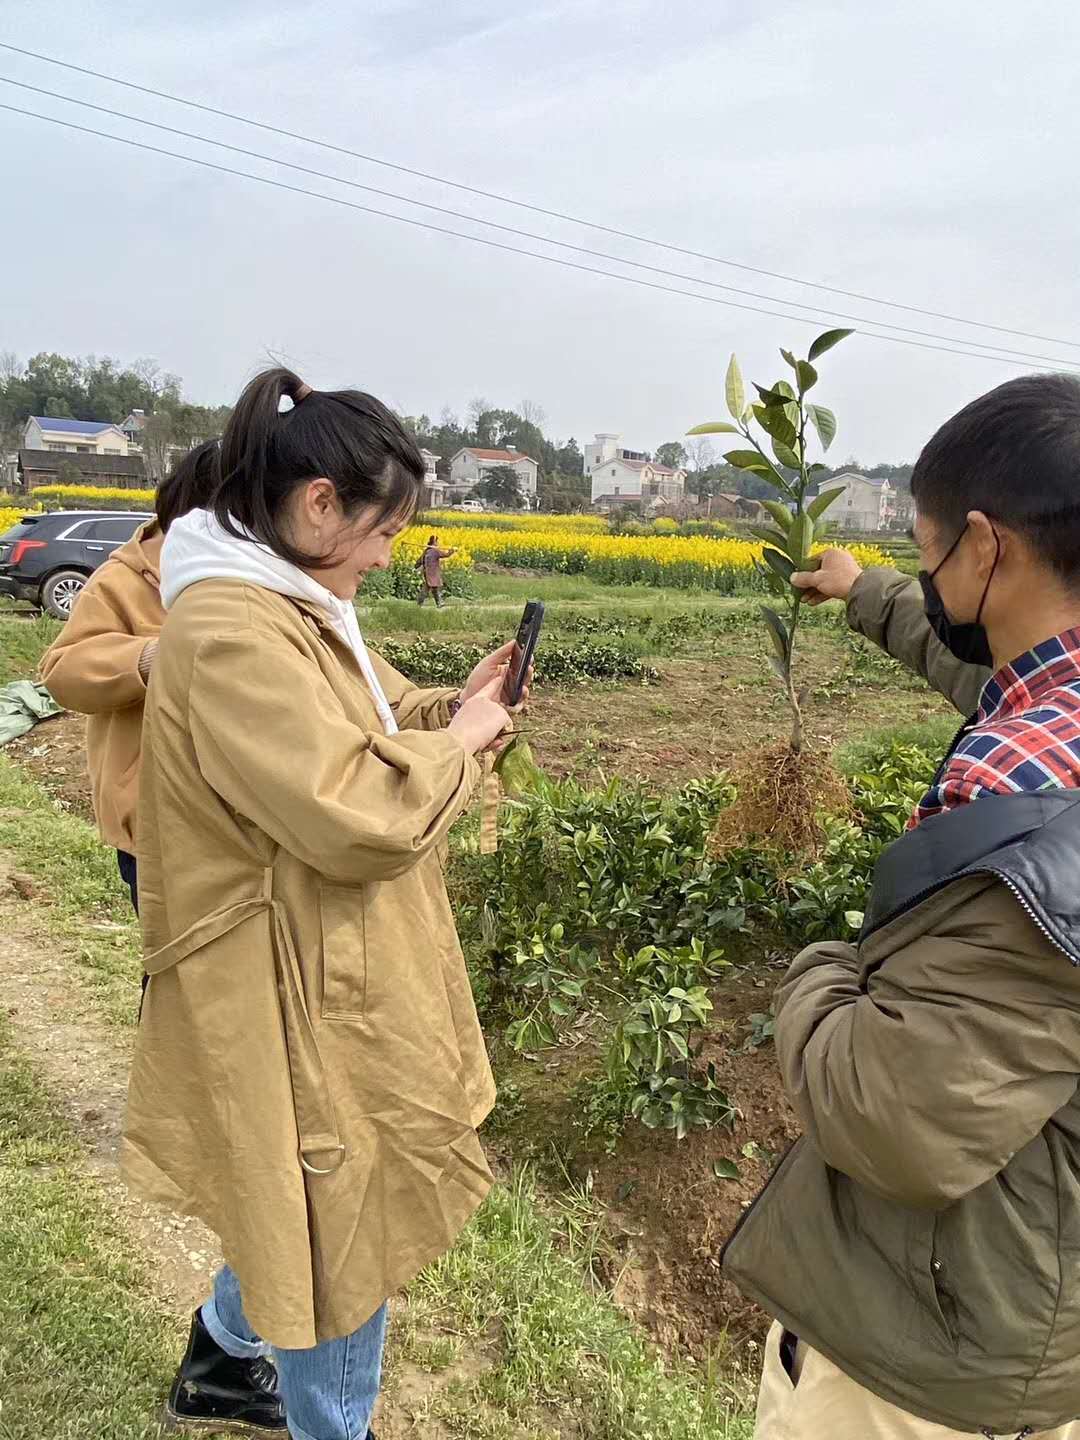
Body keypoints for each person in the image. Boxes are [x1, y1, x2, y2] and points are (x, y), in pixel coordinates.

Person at [122, 368, 522, 1440]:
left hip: (322, 960)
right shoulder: (234, 631)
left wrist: (461, 709)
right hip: (284, 981)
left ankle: (222, 1353)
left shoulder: (296, 606)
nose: (395, 554)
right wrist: (461, 748)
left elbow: (379, 711)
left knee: (300, 1199)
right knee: (341, 1225)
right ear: (318, 506)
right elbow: (354, 808)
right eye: (388, 529)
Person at [726, 373, 1080, 1438]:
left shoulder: (1022, 801)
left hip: (936, 1351)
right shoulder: (1051, 713)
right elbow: (998, 682)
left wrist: (823, 968)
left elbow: (895, 1118)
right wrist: (867, 589)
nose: (924, 580)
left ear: (985, 547)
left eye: (925, 553)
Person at [39, 442, 219, 913]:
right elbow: (62, 672)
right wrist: (147, 657)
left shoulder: (247, 575)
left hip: (235, 818)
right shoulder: (123, 579)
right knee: (174, 970)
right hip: (157, 819)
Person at [417, 532, 455, 607]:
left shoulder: (426, 551)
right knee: (428, 588)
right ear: (434, 542)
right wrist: (452, 551)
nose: (438, 543)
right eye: (437, 541)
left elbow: (419, 560)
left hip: (427, 572)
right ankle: (420, 603)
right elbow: (446, 555)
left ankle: (438, 603)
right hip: (433, 573)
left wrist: (416, 566)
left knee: (434, 588)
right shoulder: (435, 551)